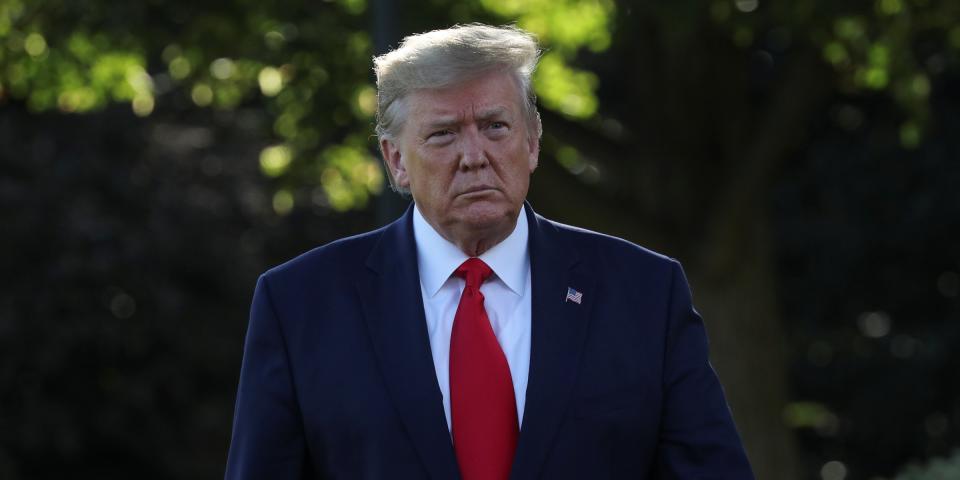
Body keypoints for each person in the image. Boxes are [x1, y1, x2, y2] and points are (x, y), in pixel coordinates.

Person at [225, 24, 754, 479]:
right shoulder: (301, 305)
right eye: (443, 134)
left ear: (532, 142)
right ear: (396, 161)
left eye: (496, 127)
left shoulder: (643, 293)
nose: (474, 156)